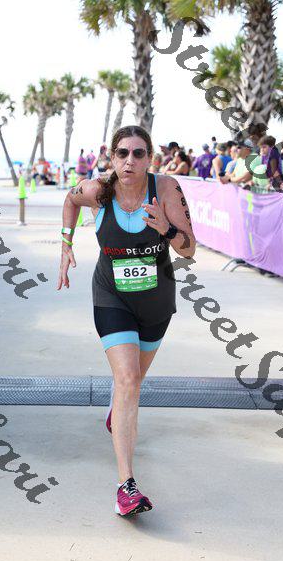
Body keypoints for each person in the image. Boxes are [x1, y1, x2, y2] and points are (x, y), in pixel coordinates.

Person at [57, 125, 195, 517]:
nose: (129, 161)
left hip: (156, 302)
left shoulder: (165, 189)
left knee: (132, 384)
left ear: (150, 158)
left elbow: (190, 248)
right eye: (122, 153)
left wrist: (165, 228)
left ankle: (116, 412)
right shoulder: (98, 190)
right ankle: (126, 486)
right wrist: (65, 245)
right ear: (112, 157)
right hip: (111, 296)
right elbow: (69, 201)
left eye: (138, 153)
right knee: (128, 380)